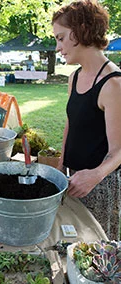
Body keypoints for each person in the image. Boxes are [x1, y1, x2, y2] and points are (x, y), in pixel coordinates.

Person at [52, 0, 121, 240]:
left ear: (80, 30)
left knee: (95, 254)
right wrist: (61, 164)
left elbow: (118, 151)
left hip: (100, 186)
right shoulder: (75, 77)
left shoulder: (113, 84)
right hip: (72, 179)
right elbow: (71, 124)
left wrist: (95, 175)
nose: (58, 47)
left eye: (61, 38)